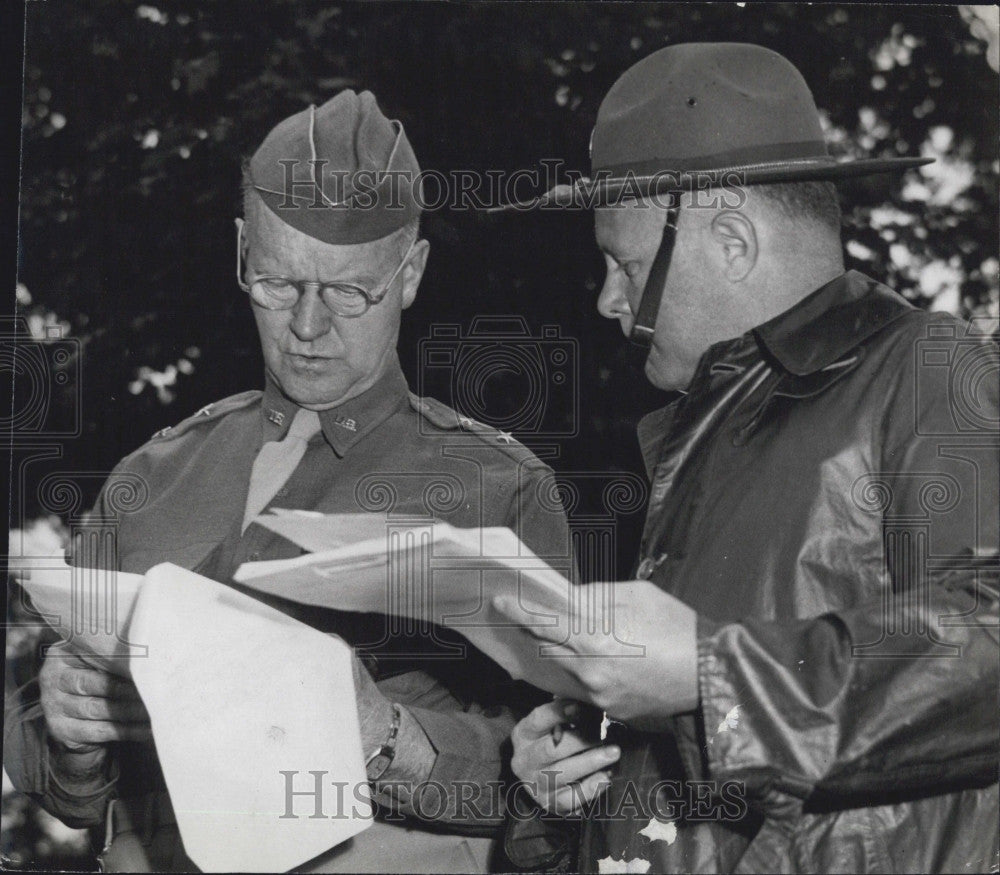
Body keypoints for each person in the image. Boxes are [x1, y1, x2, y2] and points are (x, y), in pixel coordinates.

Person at [4, 90, 571, 873]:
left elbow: (555, 803)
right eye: (277, 282)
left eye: (348, 291)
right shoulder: (149, 477)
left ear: (411, 274)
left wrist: (387, 737)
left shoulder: (497, 488)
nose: (307, 325)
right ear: (242, 252)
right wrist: (68, 737)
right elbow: (62, 786)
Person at [494, 43, 999, 873]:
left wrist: (712, 673)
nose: (608, 301)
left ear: (730, 240)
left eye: (622, 265)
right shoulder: (696, 435)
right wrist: (554, 800)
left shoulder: (927, 369)